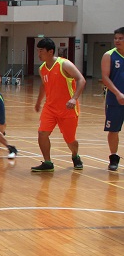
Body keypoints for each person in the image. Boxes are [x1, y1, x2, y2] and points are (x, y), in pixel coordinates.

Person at [32, 38, 86, 172]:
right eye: (38, 51)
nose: (38, 54)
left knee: (70, 140)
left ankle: (75, 155)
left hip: (68, 109)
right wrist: (38, 102)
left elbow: (81, 80)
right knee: (42, 133)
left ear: (50, 52)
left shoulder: (64, 64)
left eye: (41, 51)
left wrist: (74, 99)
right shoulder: (42, 68)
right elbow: (44, 86)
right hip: (50, 108)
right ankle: (48, 162)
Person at [101, 27, 124, 171]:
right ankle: (114, 157)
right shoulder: (108, 55)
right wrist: (118, 93)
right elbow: (105, 77)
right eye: (115, 38)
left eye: (121, 38)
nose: (117, 40)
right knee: (113, 129)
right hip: (115, 100)